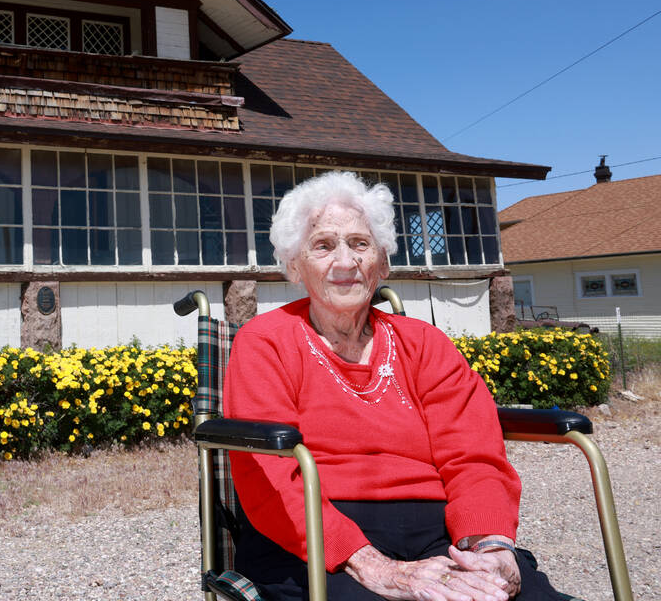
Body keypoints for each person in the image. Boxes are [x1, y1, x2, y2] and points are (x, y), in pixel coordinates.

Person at [224, 171, 565, 601]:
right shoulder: (265, 341)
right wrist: (374, 565)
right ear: (295, 265)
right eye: (324, 246)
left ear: (383, 263)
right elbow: (269, 480)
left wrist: (490, 545)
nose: (346, 263)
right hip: (310, 541)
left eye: (360, 244)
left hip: (439, 535)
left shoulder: (424, 343)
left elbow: (474, 456)